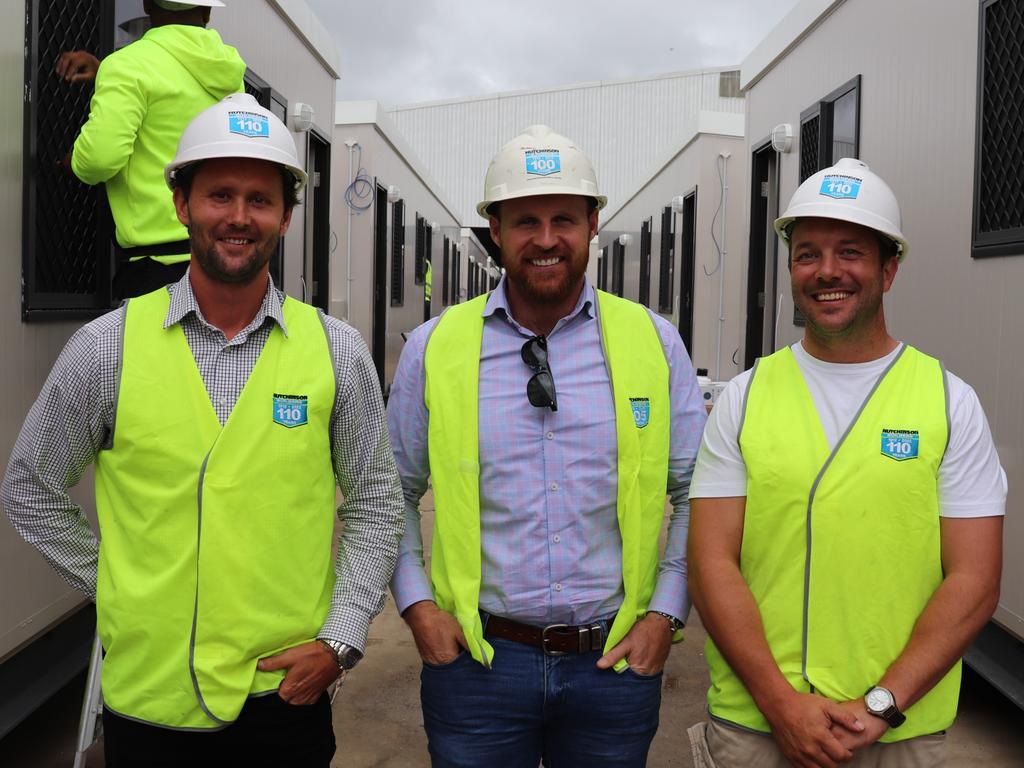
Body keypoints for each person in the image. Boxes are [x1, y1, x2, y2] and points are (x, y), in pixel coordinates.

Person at [2, 93, 405, 767]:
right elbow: (30, 487)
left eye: (260, 199)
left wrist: (339, 640)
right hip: (148, 704)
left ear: (286, 214)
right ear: (182, 203)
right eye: (219, 194)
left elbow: (377, 506)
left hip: (285, 701)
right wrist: (119, 584)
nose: (239, 218)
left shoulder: (336, 351)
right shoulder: (108, 348)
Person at [387, 124, 707, 766]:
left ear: (593, 225)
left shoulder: (653, 342)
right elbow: (390, 492)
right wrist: (419, 606)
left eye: (565, 217)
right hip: (479, 665)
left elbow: (697, 493)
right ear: (496, 232)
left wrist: (664, 616)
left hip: (612, 664)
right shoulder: (435, 347)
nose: (545, 238)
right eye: (524, 220)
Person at [687, 158, 1006, 768]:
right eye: (807, 254)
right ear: (790, 269)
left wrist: (881, 705)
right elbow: (710, 564)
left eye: (850, 252)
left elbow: (974, 580)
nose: (826, 272)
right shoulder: (747, 398)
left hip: (897, 732)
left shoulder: (946, 402)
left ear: (889, 269)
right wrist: (780, 703)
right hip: (757, 723)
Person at [61, 0, 245, 299]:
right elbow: (178, 100)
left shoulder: (129, 65)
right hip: (222, 260)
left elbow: (99, 159)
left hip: (156, 271)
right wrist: (105, 72)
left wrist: (72, 163)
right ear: (208, 11)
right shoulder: (231, 73)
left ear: (147, 5)